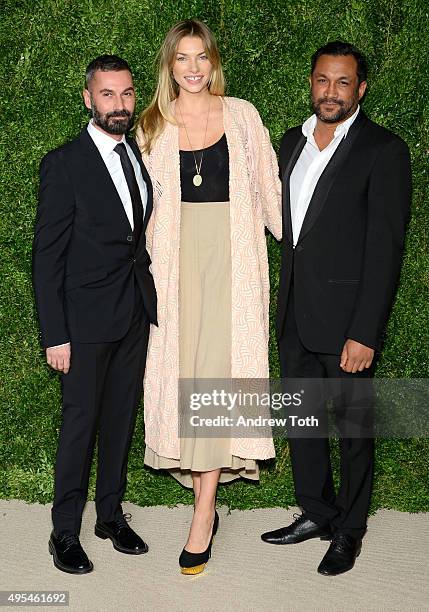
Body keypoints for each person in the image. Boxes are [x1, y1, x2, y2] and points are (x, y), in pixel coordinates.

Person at [136, 19, 282, 574]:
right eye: (182, 59)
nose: (193, 69)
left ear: (212, 61)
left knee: (223, 378)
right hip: (174, 270)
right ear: (169, 65)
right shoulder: (152, 124)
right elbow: (139, 209)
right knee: (185, 381)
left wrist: (299, 238)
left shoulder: (242, 114)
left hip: (232, 263)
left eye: (201, 57)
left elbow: (270, 186)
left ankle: (203, 512)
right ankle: (205, 501)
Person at [261, 41, 411, 576]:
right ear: (311, 82)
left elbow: (385, 248)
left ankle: (350, 530)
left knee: (352, 431)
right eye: (322, 80)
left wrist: (365, 331)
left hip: (348, 323)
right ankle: (317, 512)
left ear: (360, 89)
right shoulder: (289, 143)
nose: (330, 91)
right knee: (301, 424)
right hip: (295, 317)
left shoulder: (382, 150)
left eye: (342, 82)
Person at [32, 55, 157, 574]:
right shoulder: (65, 163)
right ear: (88, 98)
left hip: (131, 313)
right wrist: (55, 334)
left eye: (127, 94)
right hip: (82, 323)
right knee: (80, 426)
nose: (119, 104)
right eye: (108, 95)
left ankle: (110, 515)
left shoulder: (136, 153)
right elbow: (46, 257)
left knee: (120, 419)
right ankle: (65, 531)